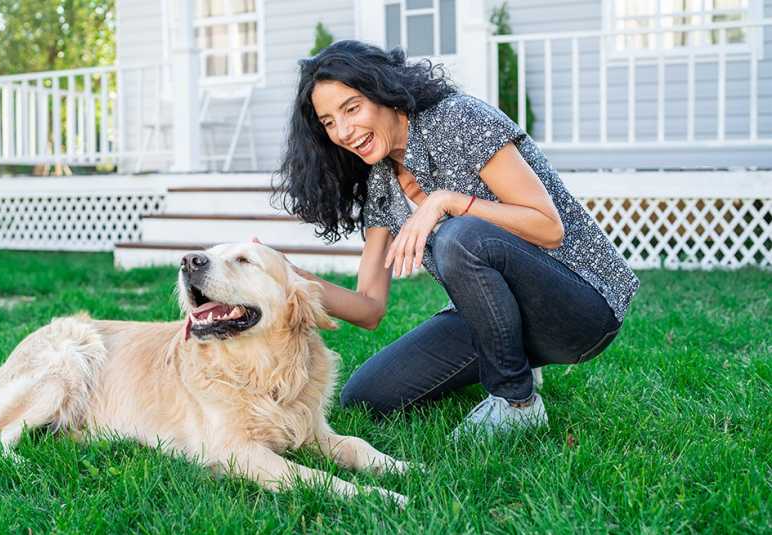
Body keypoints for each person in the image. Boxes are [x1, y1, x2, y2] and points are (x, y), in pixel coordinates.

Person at [274, 40, 639, 437]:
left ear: (384, 92)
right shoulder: (381, 181)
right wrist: (289, 276)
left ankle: (516, 401)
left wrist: (446, 202)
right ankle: (513, 358)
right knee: (365, 396)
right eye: (328, 122)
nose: (343, 131)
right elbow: (369, 307)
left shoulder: (456, 119)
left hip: (581, 307)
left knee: (458, 235)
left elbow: (548, 228)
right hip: (492, 315)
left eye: (352, 108)